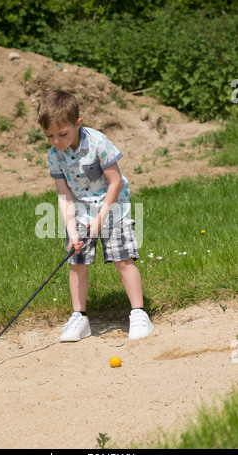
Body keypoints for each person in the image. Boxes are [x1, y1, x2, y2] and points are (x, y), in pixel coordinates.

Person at [37, 90, 154, 342]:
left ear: (77, 124)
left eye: (62, 133)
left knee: (124, 260)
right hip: (80, 211)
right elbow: (64, 196)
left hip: (113, 207)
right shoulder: (54, 156)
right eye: (49, 136)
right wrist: (71, 231)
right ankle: (79, 318)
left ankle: (138, 313)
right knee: (76, 263)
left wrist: (100, 218)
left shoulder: (99, 143)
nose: (56, 140)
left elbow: (115, 183)